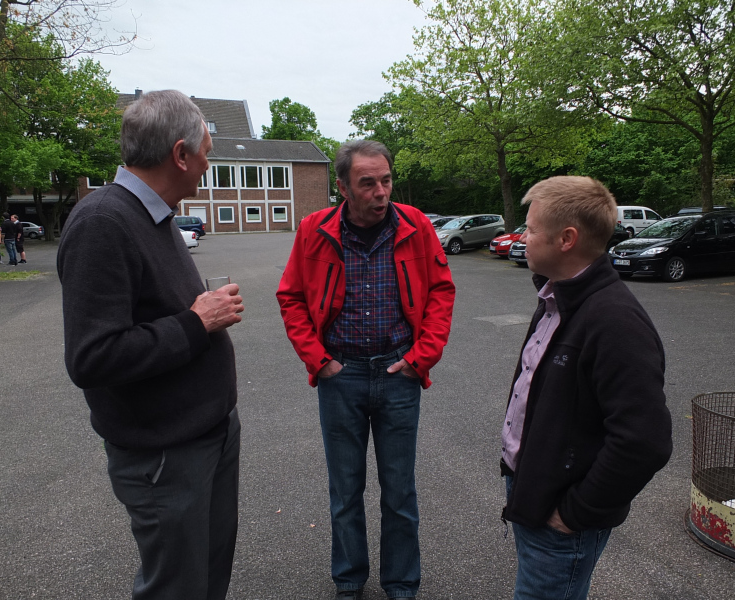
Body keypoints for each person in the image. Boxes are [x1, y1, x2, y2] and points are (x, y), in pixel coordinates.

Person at [57, 90, 245, 600]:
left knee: (206, 580)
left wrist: (197, 317)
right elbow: (93, 356)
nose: (208, 165)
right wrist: (196, 322)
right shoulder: (103, 222)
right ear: (180, 154)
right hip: (165, 454)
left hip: (206, 435)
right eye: (205, 153)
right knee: (176, 589)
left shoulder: (155, 215)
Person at [277, 140, 455, 600]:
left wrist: (421, 358)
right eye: (368, 183)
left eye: (386, 180)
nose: (381, 192)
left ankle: (401, 585)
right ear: (343, 188)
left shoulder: (416, 225)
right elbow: (291, 297)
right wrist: (319, 361)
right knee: (345, 491)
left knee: (400, 491)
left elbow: (441, 291)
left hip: (399, 373)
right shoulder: (314, 229)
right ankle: (349, 580)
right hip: (342, 376)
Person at [499, 176, 673, 600]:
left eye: (530, 229)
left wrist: (576, 513)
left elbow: (644, 441)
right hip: (534, 491)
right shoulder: (557, 298)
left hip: (561, 515)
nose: (522, 237)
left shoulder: (614, 321)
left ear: (566, 239)